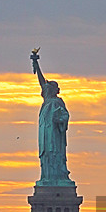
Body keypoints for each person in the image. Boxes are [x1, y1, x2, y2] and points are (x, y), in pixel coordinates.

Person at [30, 50, 71, 185]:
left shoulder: (58, 102)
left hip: (55, 135)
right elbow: (42, 82)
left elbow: (65, 116)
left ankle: (58, 177)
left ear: (55, 90)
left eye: (49, 87)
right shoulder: (47, 100)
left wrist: (60, 120)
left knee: (55, 154)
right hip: (45, 134)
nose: (46, 88)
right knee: (46, 155)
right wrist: (36, 64)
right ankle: (47, 178)